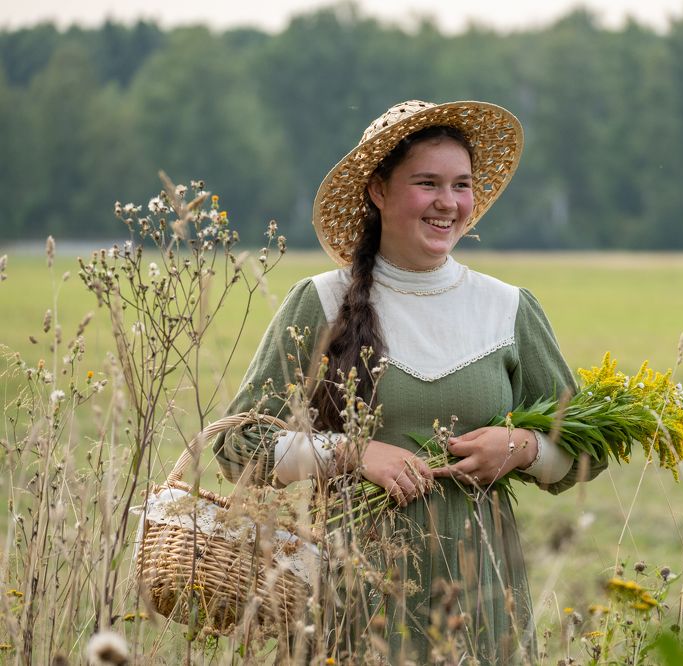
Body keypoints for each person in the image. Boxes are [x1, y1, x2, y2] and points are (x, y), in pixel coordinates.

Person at [214, 100, 606, 663]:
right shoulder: (320, 302)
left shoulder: (508, 308)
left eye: (461, 185)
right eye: (427, 183)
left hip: (481, 592)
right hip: (347, 592)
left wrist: (518, 448)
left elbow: (582, 456)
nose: (448, 203)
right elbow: (236, 446)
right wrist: (350, 453)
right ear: (378, 190)